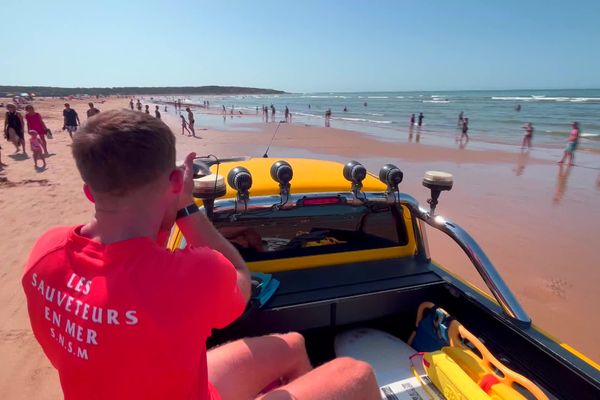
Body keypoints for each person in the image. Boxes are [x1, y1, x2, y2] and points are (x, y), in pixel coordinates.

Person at [21, 110, 379, 400]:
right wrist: (185, 208)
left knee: (293, 344)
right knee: (356, 373)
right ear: (175, 183)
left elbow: (132, 271)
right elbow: (241, 281)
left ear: (89, 191)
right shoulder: (192, 274)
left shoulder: (45, 252)